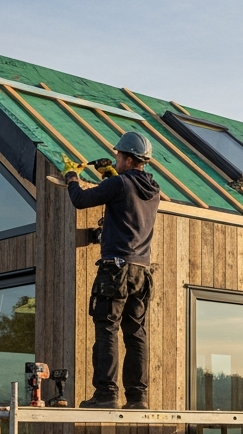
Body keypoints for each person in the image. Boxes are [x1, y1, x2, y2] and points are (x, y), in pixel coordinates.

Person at [64, 131, 161, 409]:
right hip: (142, 272)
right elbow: (125, 198)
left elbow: (80, 200)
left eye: (119, 156)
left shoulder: (119, 184)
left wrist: (72, 177)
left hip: (115, 270)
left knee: (107, 328)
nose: (116, 159)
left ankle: (106, 394)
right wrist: (108, 175)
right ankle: (137, 398)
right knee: (135, 333)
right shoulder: (153, 190)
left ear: (129, 159)